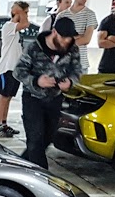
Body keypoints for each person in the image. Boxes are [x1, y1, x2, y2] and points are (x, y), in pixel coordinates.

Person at [13, 17, 83, 169]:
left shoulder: (72, 49)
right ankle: (42, 175)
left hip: (55, 99)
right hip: (33, 99)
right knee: (35, 139)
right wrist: (36, 81)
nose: (66, 41)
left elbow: (78, 71)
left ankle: (18, 165)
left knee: (47, 138)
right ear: (54, 32)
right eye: (63, 37)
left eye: (70, 38)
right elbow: (18, 71)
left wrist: (70, 82)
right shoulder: (34, 48)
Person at [0, 1, 31, 138]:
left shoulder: (16, 30)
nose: (26, 16)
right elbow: (26, 24)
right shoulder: (8, 26)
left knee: (8, 98)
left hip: (15, 70)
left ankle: (4, 124)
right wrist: (19, 12)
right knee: (2, 98)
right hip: (6, 68)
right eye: (25, 12)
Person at [57, 0, 96, 73]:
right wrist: (78, 36)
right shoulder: (62, 15)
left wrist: (67, 42)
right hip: (62, 63)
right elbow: (57, 39)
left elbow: (86, 39)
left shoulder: (90, 14)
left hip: (80, 64)